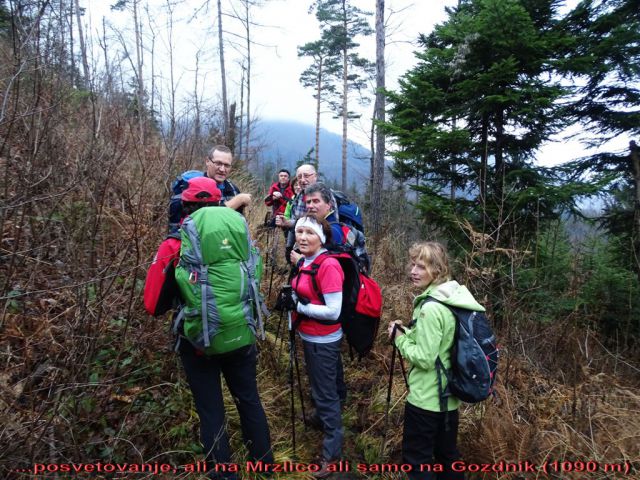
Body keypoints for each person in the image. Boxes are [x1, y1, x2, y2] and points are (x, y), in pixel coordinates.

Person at [144, 176, 273, 479]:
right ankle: (264, 467)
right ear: (219, 201)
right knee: (249, 398)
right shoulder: (242, 234)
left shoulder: (174, 243)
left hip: (198, 342)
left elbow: (153, 305)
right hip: (241, 333)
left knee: (210, 409)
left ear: (184, 206)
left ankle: (224, 474)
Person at [387, 242, 484, 480]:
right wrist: (407, 333)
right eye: (413, 264)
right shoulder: (452, 299)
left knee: (417, 461)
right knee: (447, 458)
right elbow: (440, 346)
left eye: (422, 267)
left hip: (426, 400)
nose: (413, 271)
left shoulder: (430, 309)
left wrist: (399, 339)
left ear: (437, 270)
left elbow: (425, 358)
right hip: (448, 400)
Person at [289, 214, 346, 478]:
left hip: (322, 340)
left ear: (321, 238)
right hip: (311, 337)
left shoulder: (328, 265)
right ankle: (324, 419)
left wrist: (301, 307)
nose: (302, 237)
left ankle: (332, 452)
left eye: (309, 233)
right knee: (327, 386)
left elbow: (334, 311)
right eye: (299, 232)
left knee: (325, 394)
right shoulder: (307, 261)